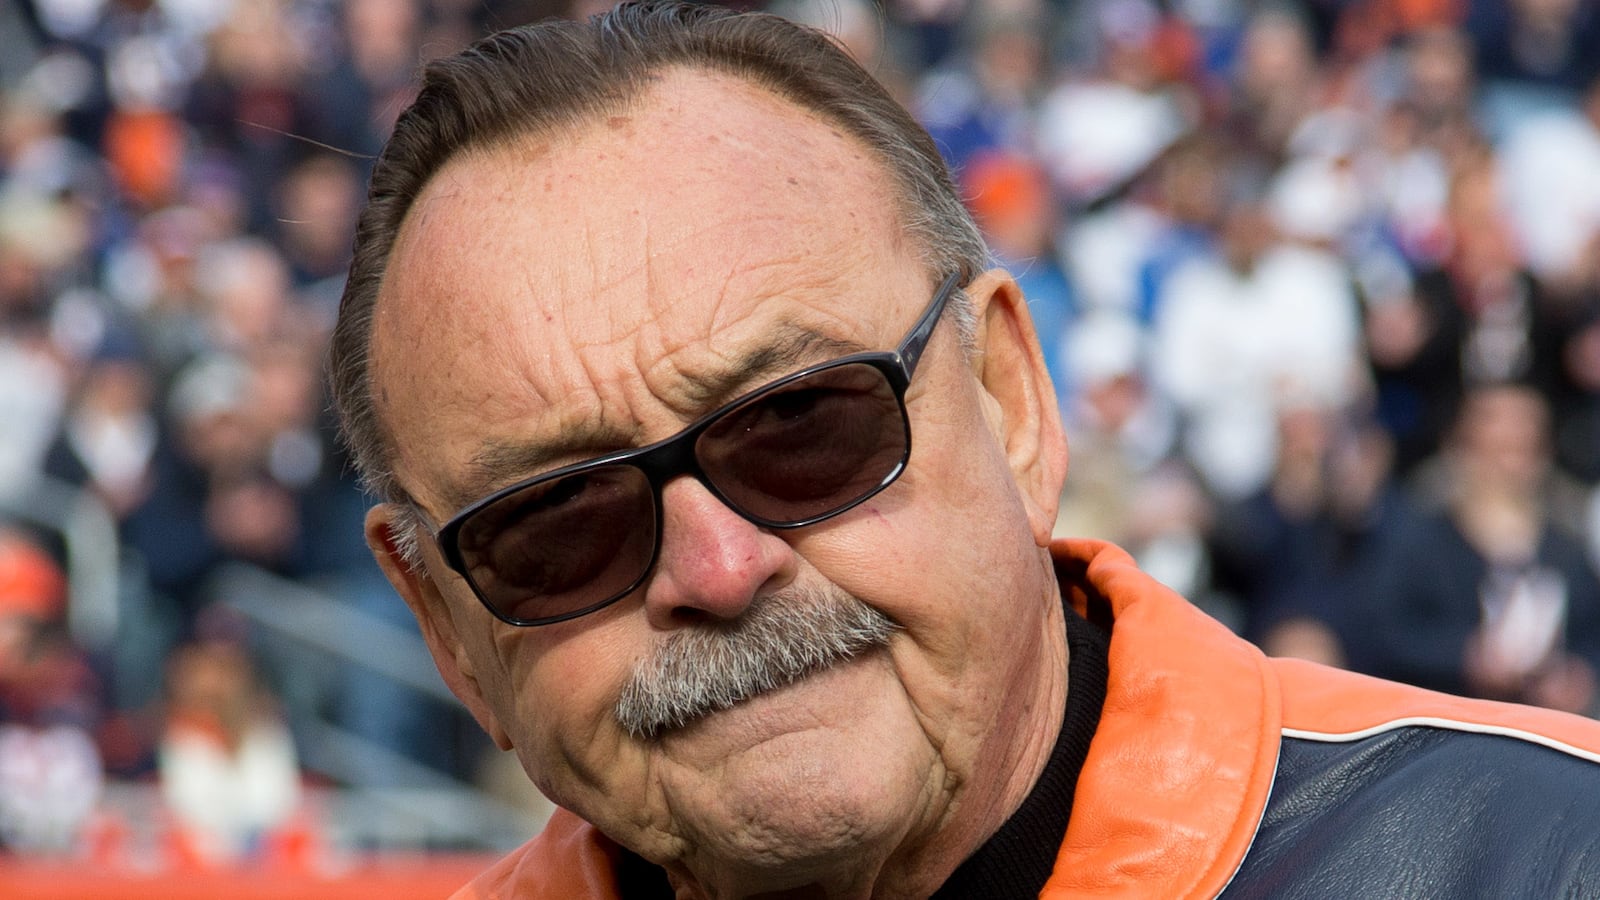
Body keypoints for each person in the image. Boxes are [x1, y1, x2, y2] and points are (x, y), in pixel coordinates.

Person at [327, 3, 1600, 896]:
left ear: (1009, 399)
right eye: (561, 526)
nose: (716, 569)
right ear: (444, 630)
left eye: (799, 428)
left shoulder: (1541, 857)